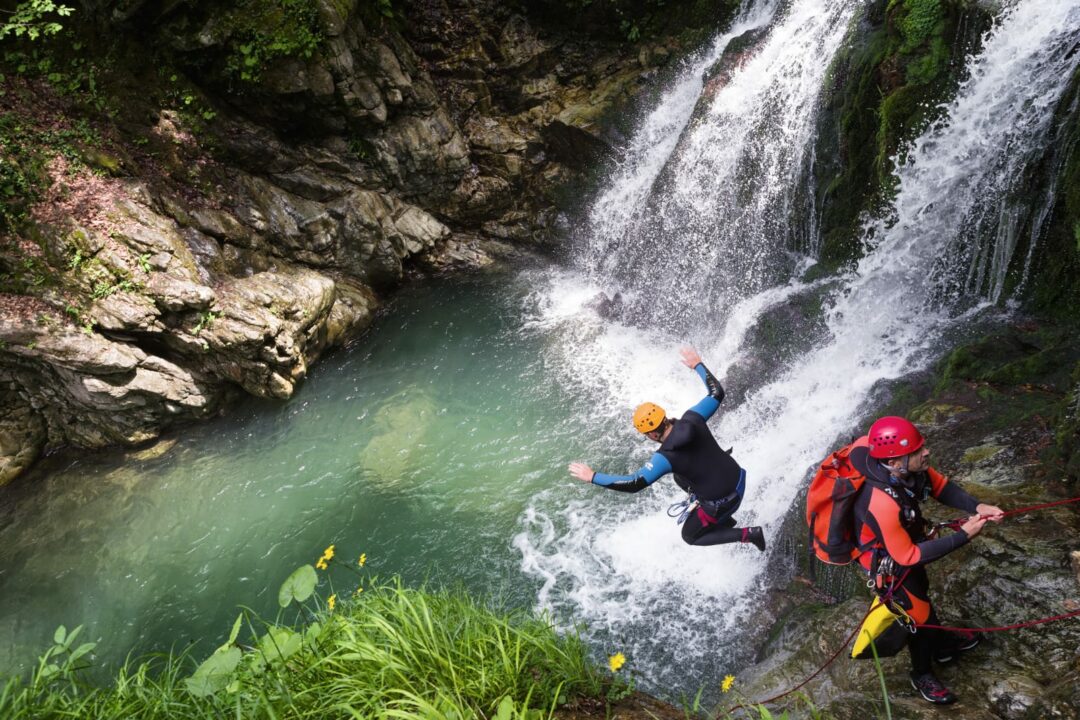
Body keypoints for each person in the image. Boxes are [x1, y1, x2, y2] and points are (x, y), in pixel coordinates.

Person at [851, 416, 1004, 705]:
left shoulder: (906, 471)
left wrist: (977, 505)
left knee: (923, 593)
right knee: (917, 615)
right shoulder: (879, 500)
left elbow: (942, 487)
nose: (927, 453)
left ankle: (941, 643)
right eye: (918, 451)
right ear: (895, 461)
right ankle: (922, 673)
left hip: (904, 543)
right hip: (889, 562)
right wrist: (963, 536)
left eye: (923, 447)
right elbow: (906, 556)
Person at [568, 347, 765, 551]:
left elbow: (634, 483)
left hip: (726, 499)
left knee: (690, 535)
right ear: (663, 417)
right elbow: (717, 392)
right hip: (738, 477)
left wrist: (593, 476)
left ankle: (748, 534)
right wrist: (698, 364)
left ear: (652, 434)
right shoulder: (693, 417)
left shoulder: (665, 457)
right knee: (680, 477)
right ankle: (722, 518)